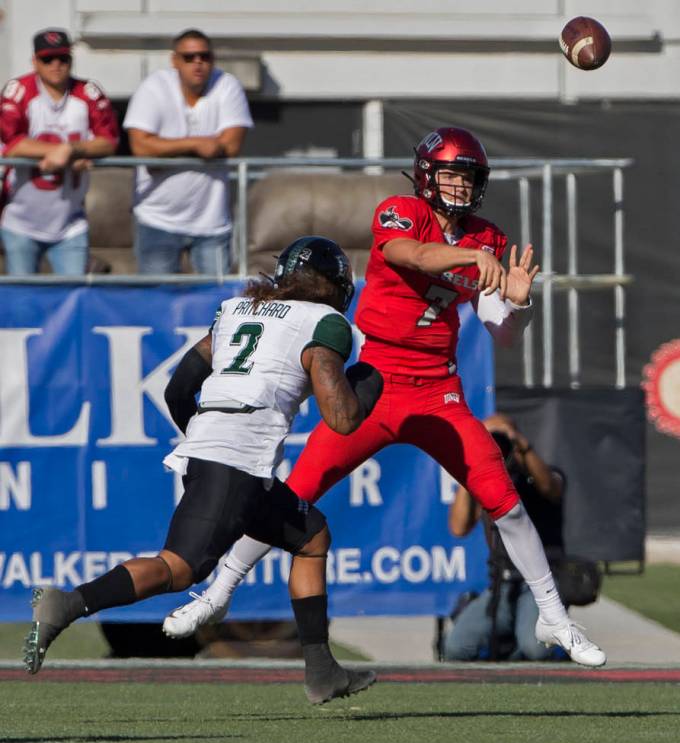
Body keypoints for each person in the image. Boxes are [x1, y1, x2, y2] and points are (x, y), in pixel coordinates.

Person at [164, 127, 606, 668]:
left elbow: (500, 329)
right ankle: (216, 593)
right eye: (449, 174)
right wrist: (467, 258)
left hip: (437, 389)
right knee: (295, 489)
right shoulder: (402, 212)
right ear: (425, 176)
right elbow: (411, 253)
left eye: (468, 177)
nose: (460, 187)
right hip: (375, 381)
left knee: (504, 497)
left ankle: (554, 617)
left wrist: (516, 302)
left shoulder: (485, 238)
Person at [23, 235, 382, 705]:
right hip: (236, 460)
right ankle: (67, 604)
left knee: (311, 536)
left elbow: (178, 389)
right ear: (335, 287)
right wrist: (368, 383)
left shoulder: (236, 310)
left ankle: (322, 671)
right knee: (180, 567)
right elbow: (342, 419)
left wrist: (206, 436)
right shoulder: (324, 322)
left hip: (220, 455)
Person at [123, 28, 253, 276]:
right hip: (156, 218)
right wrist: (196, 144)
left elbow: (231, 146)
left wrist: (163, 150)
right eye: (189, 57)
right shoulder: (153, 87)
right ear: (175, 61)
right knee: (158, 303)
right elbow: (141, 148)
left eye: (205, 57)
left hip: (212, 223)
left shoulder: (227, 85)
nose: (198, 63)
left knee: (219, 306)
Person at [443, 414, 566, 661]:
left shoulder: (538, 476)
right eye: (489, 441)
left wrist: (520, 444)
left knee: (534, 648)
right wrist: (473, 464)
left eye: (500, 441)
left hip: (539, 584)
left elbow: (551, 488)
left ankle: (563, 649)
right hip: (501, 582)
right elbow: (458, 528)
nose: (496, 448)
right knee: (456, 647)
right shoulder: (485, 484)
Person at [0, 28, 119, 275]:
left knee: (72, 299)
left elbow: (109, 140)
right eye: (47, 59)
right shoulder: (19, 91)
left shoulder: (87, 93)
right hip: (21, 221)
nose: (56, 65)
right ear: (35, 61)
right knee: (24, 301)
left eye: (62, 58)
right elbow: (10, 143)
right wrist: (60, 154)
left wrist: (70, 149)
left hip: (70, 223)